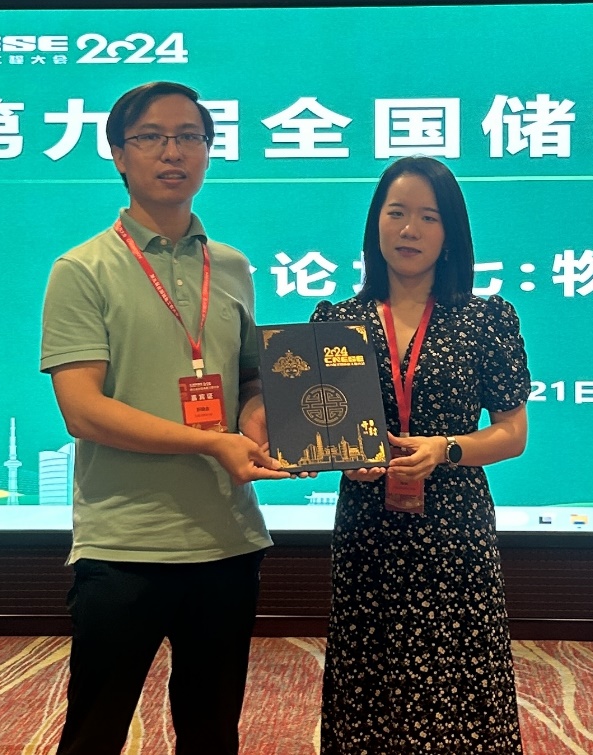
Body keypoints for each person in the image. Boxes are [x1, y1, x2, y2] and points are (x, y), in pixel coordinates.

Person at [40, 81, 290, 755]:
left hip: (226, 538)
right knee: (95, 732)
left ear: (208, 151)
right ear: (119, 154)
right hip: (125, 544)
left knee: (212, 732)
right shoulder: (82, 269)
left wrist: (256, 418)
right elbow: (83, 410)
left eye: (190, 137)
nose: (172, 152)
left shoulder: (231, 266)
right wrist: (210, 444)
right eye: (151, 137)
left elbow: (247, 377)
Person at [313, 156, 530, 753]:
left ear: (450, 232)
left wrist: (447, 449)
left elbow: (512, 434)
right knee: (370, 679)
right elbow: (322, 428)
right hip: (368, 530)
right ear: (375, 224)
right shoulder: (336, 322)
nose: (409, 230)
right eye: (397, 213)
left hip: (453, 530)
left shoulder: (486, 319)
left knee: (456, 682)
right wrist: (344, 458)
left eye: (428, 217)